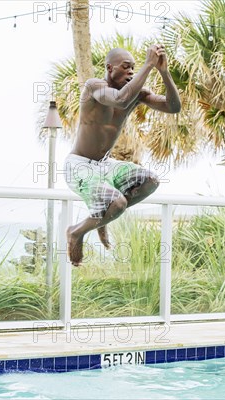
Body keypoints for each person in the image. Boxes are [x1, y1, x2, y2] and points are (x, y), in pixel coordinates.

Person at [64, 44, 181, 266]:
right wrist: (148, 65)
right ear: (110, 68)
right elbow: (120, 100)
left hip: (105, 165)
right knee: (117, 204)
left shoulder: (137, 94)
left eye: (133, 69)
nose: (130, 72)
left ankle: (100, 216)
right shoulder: (94, 88)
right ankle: (76, 233)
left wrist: (164, 72)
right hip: (78, 165)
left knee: (150, 181)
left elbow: (173, 107)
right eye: (126, 67)